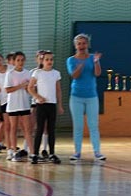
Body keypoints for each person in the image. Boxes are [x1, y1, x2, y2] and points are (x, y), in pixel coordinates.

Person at [66, 33, 105, 162]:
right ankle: (77, 152)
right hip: (76, 96)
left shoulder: (93, 58)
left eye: (84, 43)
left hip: (91, 96)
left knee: (93, 125)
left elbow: (97, 73)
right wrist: (80, 66)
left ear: (87, 44)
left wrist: (96, 62)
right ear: (75, 46)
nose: (81, 46)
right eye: (79, 44)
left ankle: (97, 152)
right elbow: (74, 76)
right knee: (78, 125)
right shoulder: (71, 60)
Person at [28, 50, 64, 164]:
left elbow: (58, 90)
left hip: (51, 105)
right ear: (42, 61)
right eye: (47, 59)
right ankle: (35, 153)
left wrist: (60, 105)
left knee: (51, 129)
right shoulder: (37, 73)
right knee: (39, 129)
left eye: (51, 59)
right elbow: (30, 88)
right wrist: (37, 96)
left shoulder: (56, 73)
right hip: (41, 105)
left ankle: (52, 153)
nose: (49, 61)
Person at [4, 51, 33, 162]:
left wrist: (27, 88)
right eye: (18, 60)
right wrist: (20, 85)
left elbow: (31, 89)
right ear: (14, 61)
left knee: (27, 128)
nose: (20, 62)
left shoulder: (28, 73)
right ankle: (13, 151)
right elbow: (7, 89)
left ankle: (32, 152)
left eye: (22, 60)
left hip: (24, 104)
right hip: (13, 105)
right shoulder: (10, 74)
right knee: (13, 128)